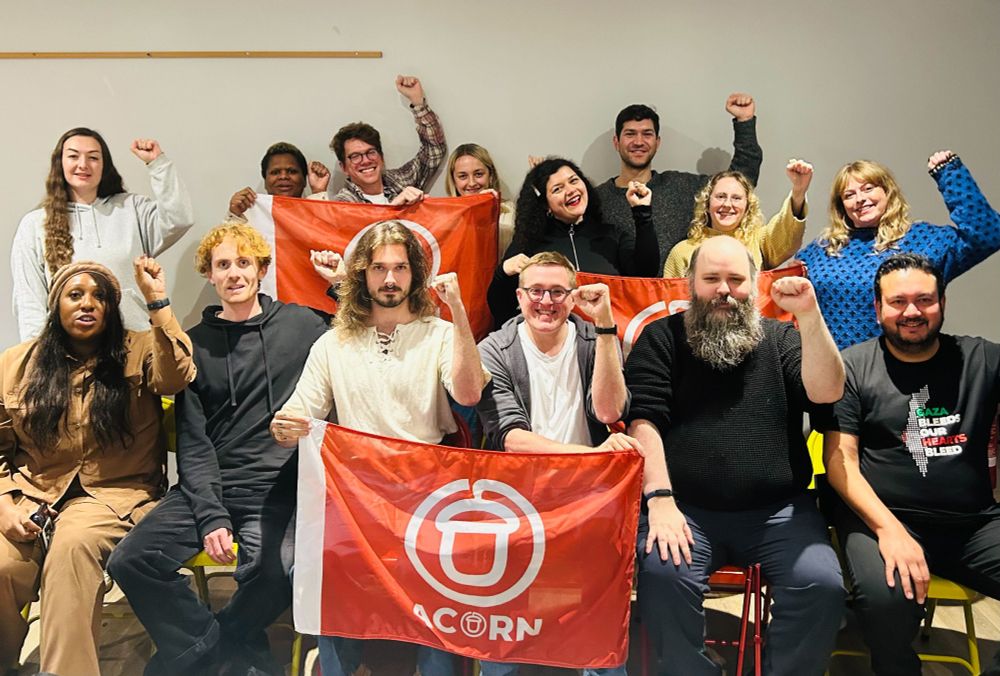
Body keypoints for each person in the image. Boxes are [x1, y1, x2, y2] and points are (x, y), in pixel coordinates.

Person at [107, 223, 330, 676]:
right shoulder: (192, 342)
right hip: (207, 490)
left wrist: (339, 281)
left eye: (243, 263)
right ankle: (218, 654)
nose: (234, 274)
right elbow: (193, 439)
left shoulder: (303, 325)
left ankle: (210, 648)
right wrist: (211, 514)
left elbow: (359, 330)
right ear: (209, 275)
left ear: (262, 269)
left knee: (279, 572)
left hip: (279, 494)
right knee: (131, 561)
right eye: (222, 265)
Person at [270, 220, 489, 676]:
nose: (390, 279)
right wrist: (286, 425)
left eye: (400, 268)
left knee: (439, 575)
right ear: (362, 276)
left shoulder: (441, 335)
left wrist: (460, 314)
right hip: (355, 497)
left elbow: (469, 395)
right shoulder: (333, 342)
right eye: (378, 269)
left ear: (416, 275)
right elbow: (296, 413)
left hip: (426, 492)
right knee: (324, 571)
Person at [625, 236, 846, 676]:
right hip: (684, 509)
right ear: (690, 283)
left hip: (780, 512)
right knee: (664, 578)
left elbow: (827, 392)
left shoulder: (783, 337)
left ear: (755, 284)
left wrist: (809, 314)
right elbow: (642, 423)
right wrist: (660, 499)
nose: (724, 290)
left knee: (821, 584)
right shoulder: (660, 338)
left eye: (735, 279)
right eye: (711, 279)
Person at [0, 258, 196, 676]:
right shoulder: (15, 364)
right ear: (57, 306)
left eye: (99, 296)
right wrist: (4, 507)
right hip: (32, 494)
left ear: (111, 307)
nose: (87, 304)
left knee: (73, 546)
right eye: (75, 295)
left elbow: (177, 376)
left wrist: (156, 299)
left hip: (114, 495)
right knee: (1, 565)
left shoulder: (140, 348)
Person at [820, 253, 1000, 676]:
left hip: (972, 523)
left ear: (942, 303)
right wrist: (890, 531)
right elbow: (838, 458)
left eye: (925, 299)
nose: (913, 312)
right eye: (898, 302)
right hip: (883, 519)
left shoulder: (981, 359)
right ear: (878, 308)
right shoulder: (853, 366)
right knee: (886, 601)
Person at [475, 250, 638, 676]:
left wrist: (605, 327)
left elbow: (608, 412)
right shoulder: (495, 349)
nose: (546, 301)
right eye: (536, 292)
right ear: (519, 296)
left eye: (557, 292)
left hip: (590, 500)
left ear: (572, 298)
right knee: (502, 632)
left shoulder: (593, 338)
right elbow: (510, 438)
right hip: (518, 500)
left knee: (599, 630)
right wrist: (593, 457)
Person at [797, 150, 1000, 350]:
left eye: (868, 188)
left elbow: (988, 234)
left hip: (897, 369)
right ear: (841, 206)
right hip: (827, 371)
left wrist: (950, 174)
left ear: (887, 191)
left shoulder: (924, 240)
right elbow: (783, 293)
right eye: (849, 195)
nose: (859, 199)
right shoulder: (823, 248)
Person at [11, 128, 195, 341]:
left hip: (133, 344)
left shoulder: (132, 209)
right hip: (68, 354)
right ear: (60, 163)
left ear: (104, 165)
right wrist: (39, 358)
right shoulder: (34, 225)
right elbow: (29, 302)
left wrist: (158, 165)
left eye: (93, 157)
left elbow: (180, 218)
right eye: (73, 156)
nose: (83, 164)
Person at [595, 94, 763, 268]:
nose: (639, 141)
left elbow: (741, 180)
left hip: (678, 292)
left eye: (647, 134)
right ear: (616, 142)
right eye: (630, 134)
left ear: (657, 142)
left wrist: (745, 122)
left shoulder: (682, 187)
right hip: (617, 293)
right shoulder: (597, 200)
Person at [487, 157, 659, 325]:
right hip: (552, 346)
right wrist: (503, 273)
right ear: (545, 205)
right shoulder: (529, 243)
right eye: (557, 189)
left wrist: (642, 212)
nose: (570, 190)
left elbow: (646, 275)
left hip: (609, 341)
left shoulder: (612, 234)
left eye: (574, 181)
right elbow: (501, 309)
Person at [662, 159, 811, 277]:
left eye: (736, 198)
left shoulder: (758, 242)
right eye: (720, 197)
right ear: (707, 203)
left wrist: (798, 192)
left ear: (747, 206)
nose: (727, 204)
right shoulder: (682, 251)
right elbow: (670, 305)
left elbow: (786, 233)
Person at [328, 75, 446, 205]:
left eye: (371, 152)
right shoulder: (344, 202)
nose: (366, 160)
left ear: (381, 157)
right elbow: (359, 225)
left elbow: (433, 151)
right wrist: (393, 207)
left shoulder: (399, 181)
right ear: (344, 167)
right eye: (355, 156)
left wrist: (417, 102)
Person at [445, 143, 514, 261]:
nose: (471, 183)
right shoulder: (444, 217)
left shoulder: (511, 212)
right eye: (463, 176)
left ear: (490, 175)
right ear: (453, 180)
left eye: (478, 174)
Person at [227, 141, 332, 218]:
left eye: (292, 171)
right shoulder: (247, 216)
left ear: (304, 179)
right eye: (275, 172)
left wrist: (318, 191)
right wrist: (234, 215)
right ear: (265, 180)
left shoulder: (316, 213)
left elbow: (328, 238)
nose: (283, 176)